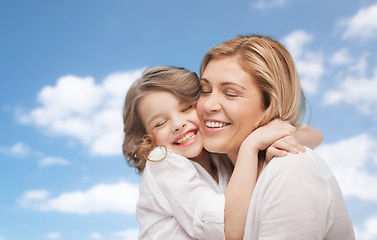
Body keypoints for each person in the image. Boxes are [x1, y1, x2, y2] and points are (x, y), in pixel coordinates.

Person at [122, 66, 321, 239]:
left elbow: (314, 136)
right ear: (147, 140)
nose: (177, 124)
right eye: (159, 123)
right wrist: (251, 145)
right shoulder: (162, 161)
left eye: (186, 108)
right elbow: (227, 230)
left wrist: (270, 130)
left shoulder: (217, 153)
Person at [197, 34, 355, 239]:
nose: (208, 105)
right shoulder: (218, 172)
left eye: (231, 93)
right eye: (204, 90)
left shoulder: (290, 169)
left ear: (270, 103)